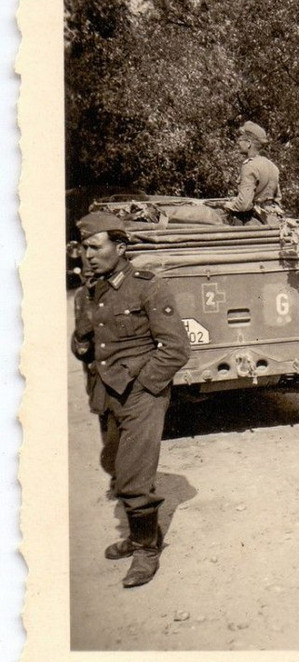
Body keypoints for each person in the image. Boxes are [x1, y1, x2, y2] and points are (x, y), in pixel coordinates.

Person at [71, 211, 191, 588]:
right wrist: (81, 345)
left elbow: (175, 349)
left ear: (120, 248)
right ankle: (142, 535)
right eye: (83, 248)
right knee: (114, 464)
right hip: (106, 392)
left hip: (141, 393)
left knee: (134, 477)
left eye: (95, 247)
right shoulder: (88, 292)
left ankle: (145, 550)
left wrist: (146, 385)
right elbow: (88, 344)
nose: (87, 255)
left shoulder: (147, 286)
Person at [222, 121, 283, 225]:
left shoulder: (249, 166)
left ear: (249, 143)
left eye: (241, 140)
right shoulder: (273, 166)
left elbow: (244, 205)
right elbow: (277, 199)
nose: (238, 142)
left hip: (250, 221)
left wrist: (227, 205)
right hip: (270, 220)